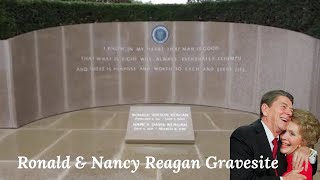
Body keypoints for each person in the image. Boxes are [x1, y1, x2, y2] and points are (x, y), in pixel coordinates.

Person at [230, 90, 317, 180]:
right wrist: (283, 179)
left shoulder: (283, 141)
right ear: (265, 109)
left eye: (291, 110)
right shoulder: (244, 135)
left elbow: (310, 170)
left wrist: (307, 151)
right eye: (283, 107)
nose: (289, 113)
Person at [281, 109, 320, 180]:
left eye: (292, 134)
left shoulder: (300, 164)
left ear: (303, 141)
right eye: (283, 131)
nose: (283, 137)